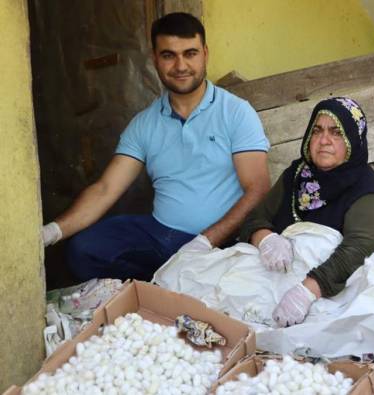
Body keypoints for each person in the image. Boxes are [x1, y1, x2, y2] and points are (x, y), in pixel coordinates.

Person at [40, 12, 270, 281]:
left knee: (221, 275)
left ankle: (167, 285)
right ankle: (154, 288)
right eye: (169, 55)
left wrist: (206, 241)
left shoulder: (235, 112)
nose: (180, 65)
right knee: (84, 249)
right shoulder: (144, 123)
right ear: (154, 59)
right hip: (161, 233)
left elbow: (258, 188)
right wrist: (52, 232)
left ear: (205, 54)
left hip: (222, 240)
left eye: (190, 53)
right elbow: (105, 189)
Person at [238, 97, 374, 327]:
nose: (324, 140)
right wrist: (265, 239)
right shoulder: (297, 176)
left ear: (353, 140)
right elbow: (256, 217)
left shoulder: (369, 194)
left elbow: (359, 252)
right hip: (278, 291)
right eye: (317, 131)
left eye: (336, 133)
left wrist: (305, 293)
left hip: (340, 300)